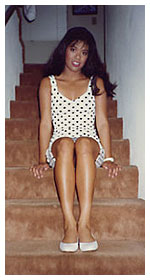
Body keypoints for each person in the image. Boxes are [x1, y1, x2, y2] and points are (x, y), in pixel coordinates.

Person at [30, 27, 121, 252]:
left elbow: (101, 123)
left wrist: (108, 156)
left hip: (89, 142)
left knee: (80, 142)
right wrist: (42, 159)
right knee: (67, 143)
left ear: (89, 56)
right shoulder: (47, 83)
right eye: (74, 49)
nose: (78, 57)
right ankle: (69, 223)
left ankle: (85, 224)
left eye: (84, 52)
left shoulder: (95, 82)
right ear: (64, 50)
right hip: (59, 142)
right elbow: (45, 124)